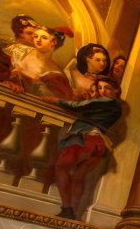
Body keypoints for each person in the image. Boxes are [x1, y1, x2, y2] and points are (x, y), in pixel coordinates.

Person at [50, 76, 123, 219]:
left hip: (84, 137)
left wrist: (55, 100)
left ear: (116, 90)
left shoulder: (106, 101)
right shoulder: (116, 107)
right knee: (79, 177)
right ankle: (73, 212)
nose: (103, 91)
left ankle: (67, 208)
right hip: (98, 142)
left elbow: (76, 106)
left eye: (107, 88)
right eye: (100, 88)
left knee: (61, 167)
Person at [7, 25, 74, 99]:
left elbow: (56, 99)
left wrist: (35, 78)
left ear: (53, 43)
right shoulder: (18, 50)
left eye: (44, 38)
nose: (38, 40)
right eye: (36, 36)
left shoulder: (55, 73)